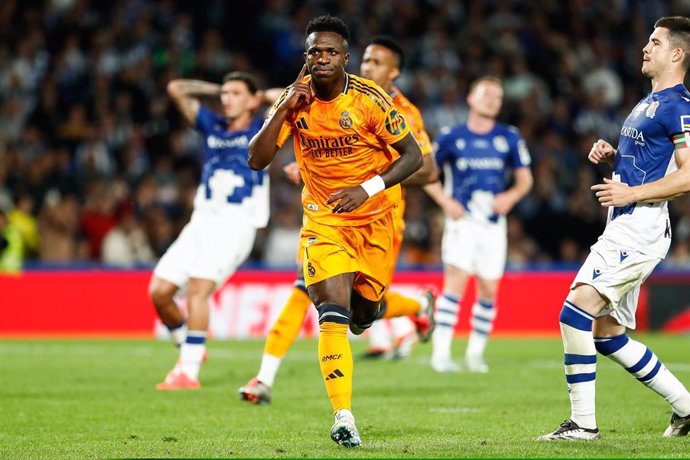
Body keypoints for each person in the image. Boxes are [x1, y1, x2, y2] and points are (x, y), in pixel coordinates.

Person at [247, 15, 423, 448]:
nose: (321, 59)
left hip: (375, 219)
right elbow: (256, 158)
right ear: (306, 58)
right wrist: (285, 108)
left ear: (346, 58)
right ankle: (343, 415)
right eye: (314, 52)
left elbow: (414, 157)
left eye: (330, 52)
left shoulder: (370, 99)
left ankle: (415, 306)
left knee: (365, 315)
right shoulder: (296, 100)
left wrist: (366, 188)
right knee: (332, 309)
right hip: (324, 221)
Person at [538, 16, 690, 441]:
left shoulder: (680, 105)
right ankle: (686, 407)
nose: (646, 47)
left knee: (574, 311)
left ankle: (583, 425)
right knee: (607, 334)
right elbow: (647, 163)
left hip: (639, 226)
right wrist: (614, 157)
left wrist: (630, 195)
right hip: (625, 223)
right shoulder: (649, 102)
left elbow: (688, 175)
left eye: (655, 42)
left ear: (676, 54)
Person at [149, 71, 269, 391]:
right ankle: (189, 350)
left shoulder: (264, 127)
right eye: (224, 93)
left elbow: (299, 95)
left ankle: (187, 372)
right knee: (159, 292)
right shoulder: (213, 126)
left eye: (236, 93)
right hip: (201, 222)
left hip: (237, 223)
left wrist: (263, 97)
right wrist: (217, 87)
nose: (226, 99)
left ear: (254, 99)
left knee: (197, 290)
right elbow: (175, 87)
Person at [424, 76, 533, 373]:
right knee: (455, 284)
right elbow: (425, 174)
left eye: (497, 97)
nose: (492, 100)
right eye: (486, 94)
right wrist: (445, 202)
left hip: (493, 224)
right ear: (470, 99)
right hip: (463, 223)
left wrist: (509, 197)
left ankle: (474, 354)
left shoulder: (509, 137)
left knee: (488, 289)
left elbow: (525, 180)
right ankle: (441, 354)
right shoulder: (450, 137)